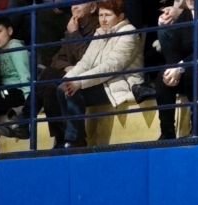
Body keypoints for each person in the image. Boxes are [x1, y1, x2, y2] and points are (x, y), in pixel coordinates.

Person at [57, 0, 144, 148]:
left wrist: (79, 82)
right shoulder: (100, 33)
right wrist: (68, 79)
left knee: (73, 91)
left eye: (107, 15)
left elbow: (110, 67)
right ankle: (66, 138)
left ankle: (75, 140)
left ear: (121, 16)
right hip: (102, 82)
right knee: (62, 88)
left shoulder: (129, 33)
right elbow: (86, 62)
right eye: (100, 15)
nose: (103, 19)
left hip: (120, 83)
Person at [154, 0, 198, 138]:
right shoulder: (185, 15)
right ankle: (167, 133)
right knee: (163, 76)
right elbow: (174, 47)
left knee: (194, 72)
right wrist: (173, 69)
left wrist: (180, 67)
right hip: (187, 65)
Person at [34, 4, 101, 145]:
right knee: (49, 82)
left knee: (49, 77)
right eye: (72, 3)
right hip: (72, 74)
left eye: (80, 2)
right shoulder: (73, 27)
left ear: (93, 7)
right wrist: (67, 68)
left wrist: (74, 34)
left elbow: (89, 59)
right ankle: (63, 138)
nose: (74, 7)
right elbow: (57, 59)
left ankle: (64, 138)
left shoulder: (98, 28)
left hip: (92, 78)